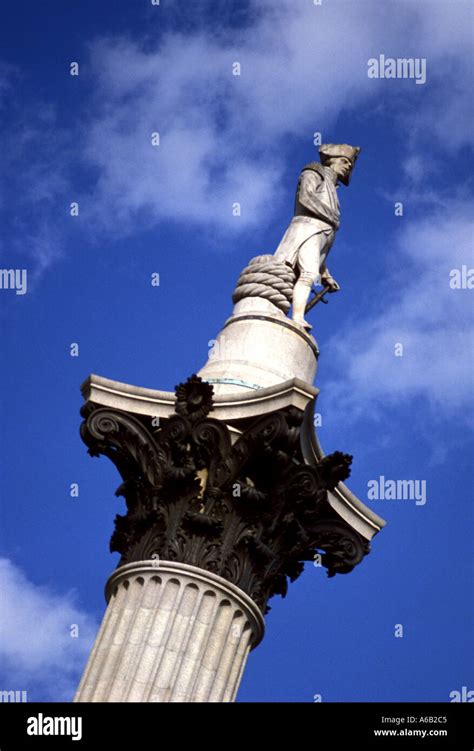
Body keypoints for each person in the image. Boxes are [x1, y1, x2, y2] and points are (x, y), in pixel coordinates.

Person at [274, 143, 360, 330]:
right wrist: (332, 217)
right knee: (308, 274)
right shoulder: (313, 172)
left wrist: (326, 275)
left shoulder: (332, 187)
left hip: (320, 233)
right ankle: (297, 318)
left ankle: (294, 316)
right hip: (307, 229)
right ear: (332, 160)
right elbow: (305, 197)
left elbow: (316, 253)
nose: (348, 167)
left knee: (309, 275)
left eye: (350, 165)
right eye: (344, 161)